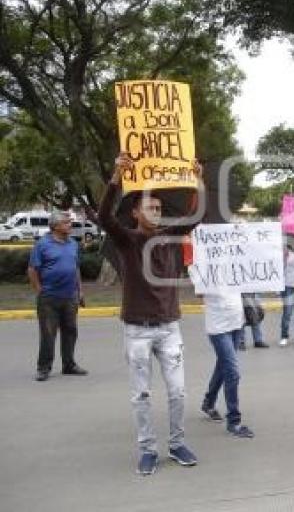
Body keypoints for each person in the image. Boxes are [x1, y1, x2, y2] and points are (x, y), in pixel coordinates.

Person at [98, 152, 202, 475]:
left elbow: (195, 216)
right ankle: (147, 449)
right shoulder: (127, 240)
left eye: (158, 208)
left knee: (178, 391)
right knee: (141, 394)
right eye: (149, 208)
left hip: (169, 327)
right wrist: (117, 176)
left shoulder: (170, 237)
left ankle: (177, 443)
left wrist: (198, 179)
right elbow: (104, 217)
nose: (155, 213)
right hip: (137, 330)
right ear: (135, 212)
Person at [27, 211, 87, 381]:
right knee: (48, 333)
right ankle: (44, 367)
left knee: (70, 331)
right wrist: (39, 290)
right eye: (66, 222)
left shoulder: (73, 244)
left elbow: (75, 268)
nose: (70, 225)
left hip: (70, 296)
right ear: (55, 226)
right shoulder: (42, 245)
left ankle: (69, 365)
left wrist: (80, 291)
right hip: (49, 298)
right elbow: (32, 269)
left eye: (70, 222)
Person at [200, 291, 255, 438]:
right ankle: (233, 421)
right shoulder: (204, 269)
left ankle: (208, 403)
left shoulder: (234, 267)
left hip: (237, 322)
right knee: (232, 373)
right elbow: (199, 291)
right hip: (218, 327)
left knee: (223, 366)